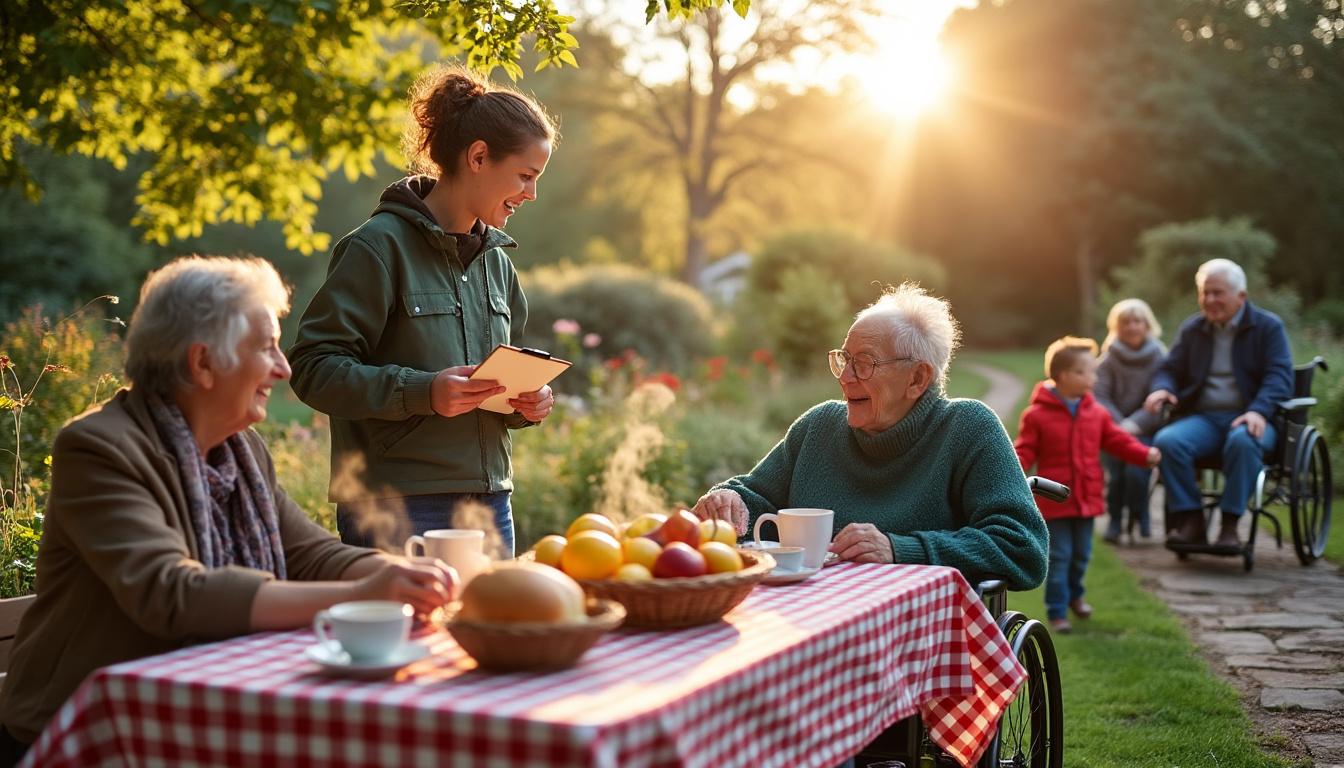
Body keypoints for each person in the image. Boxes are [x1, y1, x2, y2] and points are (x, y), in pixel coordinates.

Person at [0, 258, 455, 765]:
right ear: (202, 363)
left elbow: (309, 552)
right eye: (265, 347)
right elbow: (170, 593)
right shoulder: (98, 448)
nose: (283, 368)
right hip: (89, 731)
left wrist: (396, 573)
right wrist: (358, 595)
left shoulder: (242, 450)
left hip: (195, 710)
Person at [288, 65, 559, 557]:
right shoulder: (376, 248)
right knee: (406, 636)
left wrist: (527, 405)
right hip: (394, 504)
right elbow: (311, 370)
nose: (531, 194)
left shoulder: (498, 265)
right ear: (478, 156)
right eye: (525, 175)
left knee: (488, 632)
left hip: (491, 501)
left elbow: (497, 384)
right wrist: (424, 392)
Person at [690, 284, 1049, 591]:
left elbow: (1022, 547)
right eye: (844, 359)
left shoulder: (967, 427)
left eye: (863, 363)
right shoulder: (820, 426)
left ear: (917, 379)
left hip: (921, 637)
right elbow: (758, 497)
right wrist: (729, 500)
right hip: (814, 618)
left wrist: (900, 549)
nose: (845, 376)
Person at [1144, 258, 1294, 551]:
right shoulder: (1193, 329)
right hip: (1205, 419)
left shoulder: (1268, 327)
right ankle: (1191, 521)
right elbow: (1168, 369)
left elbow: (1279, 376)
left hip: (1253, 418)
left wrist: (1258, 410)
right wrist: (1163, 389)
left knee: (1243, 440)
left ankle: (1229, 525)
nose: (1210, 299)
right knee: (1168, 440)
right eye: (1205, 292)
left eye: (1218, 293)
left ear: (1241, 296)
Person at [1014, 337, 1160, 633]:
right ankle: (1057, 611)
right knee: (1060, 556)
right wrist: (1010, 472)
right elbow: (1025, 450)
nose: (1093, 377)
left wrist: (1144, 455)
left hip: (1087, 497)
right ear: (1066, 375)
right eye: (1087, 371)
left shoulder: (1096, 413)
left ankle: (1076, 597)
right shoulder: (1037, 415)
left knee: (1082, 556)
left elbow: (1117, 440)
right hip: (1055, 502)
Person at [1094, 299, 1166, 543]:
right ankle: (1115, 520)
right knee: (1116, 475)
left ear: (1147, 325)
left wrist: (1134, 424)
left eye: (1138, 321)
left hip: (1146, 428)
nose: (1132, 327)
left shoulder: (1160, 357)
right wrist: (1120, 425)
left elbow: (1160, 396)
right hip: (1113, 429)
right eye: (1126, 322)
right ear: (1117, 326)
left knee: (1137, 473)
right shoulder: (1108, 359)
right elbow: (1099, 396)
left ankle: (1140, 513)